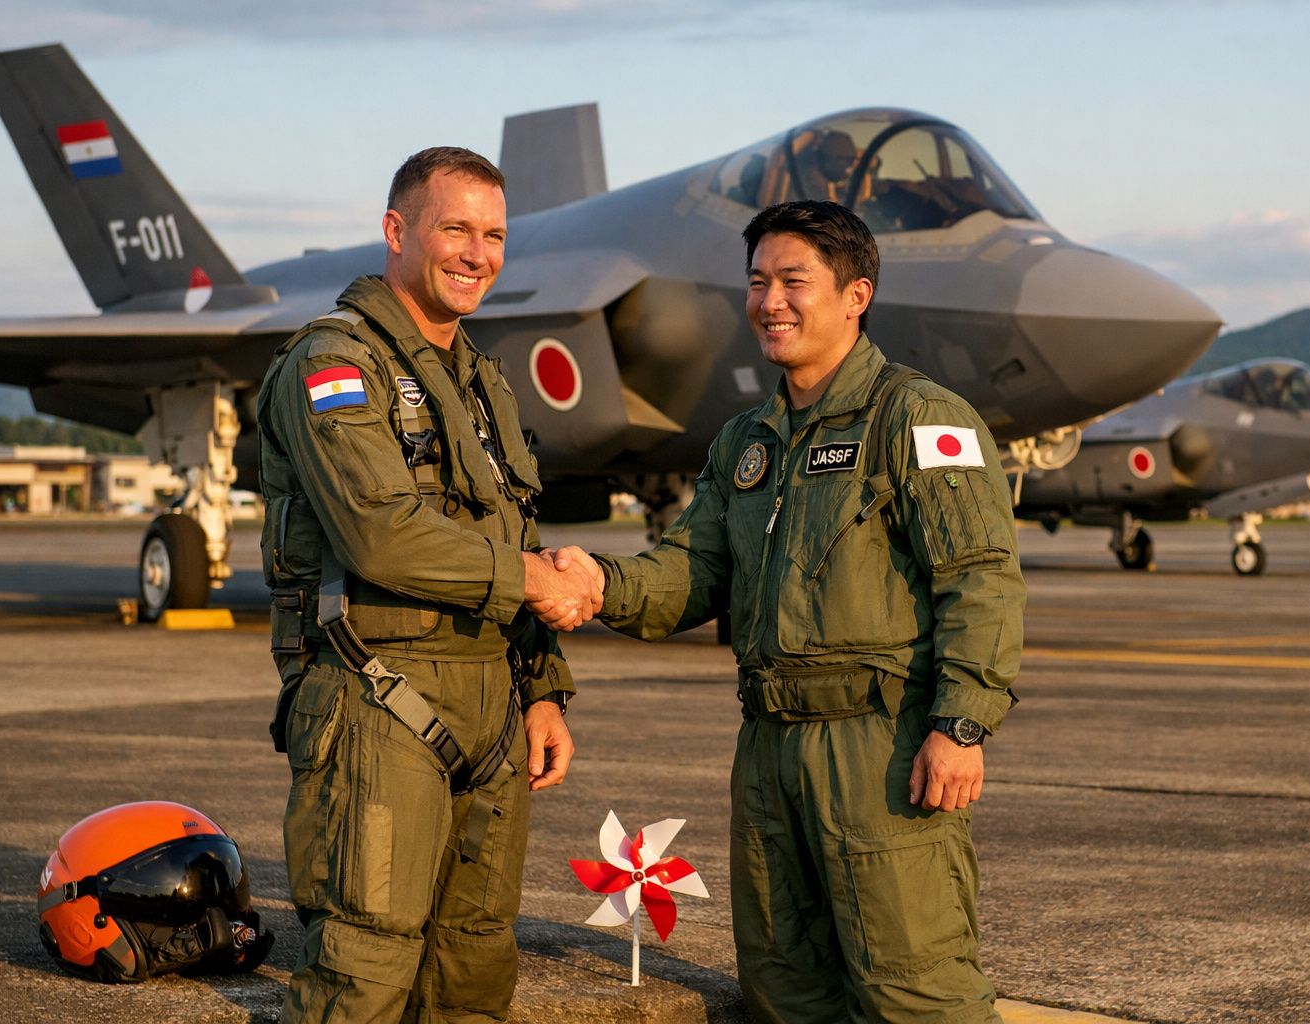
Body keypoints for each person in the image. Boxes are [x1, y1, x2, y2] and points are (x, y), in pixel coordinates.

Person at [546, 200, 1024, 1022]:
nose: (771, 301)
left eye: (794, 281)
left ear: (855, 294)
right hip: (768, 751)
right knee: (783, 987)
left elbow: (979, 579)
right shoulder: (745, 444)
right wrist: (598, 584)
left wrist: (962, 727)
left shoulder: (918, 419)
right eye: (758, 281)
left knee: (914, 988)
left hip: (879, 754)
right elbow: (692, 572)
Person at [255, 147, 601, 1024]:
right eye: (455, 229)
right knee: (365, 966)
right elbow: (383, 537)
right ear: (396, 231)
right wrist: (530, 581)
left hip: (492, 698)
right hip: (379, 694)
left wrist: (544, 688)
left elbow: (508, 527)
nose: (477, 254)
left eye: (493, 235)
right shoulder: (334, 364)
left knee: (476, 967)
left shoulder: (480, 380)